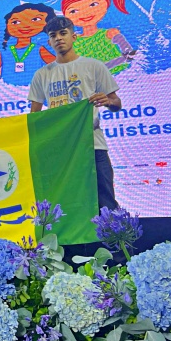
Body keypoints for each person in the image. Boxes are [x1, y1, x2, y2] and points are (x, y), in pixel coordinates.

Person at [28, 16, 122, 211]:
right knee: (67, 202)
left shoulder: (94, 66)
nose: (58, 38)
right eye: (53, 35)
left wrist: (107, 101)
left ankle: (112, 231)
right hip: (60, 148)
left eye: (63, 33)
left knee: (105, 200)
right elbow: (34, 116)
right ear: (49, 42)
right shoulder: (42, 74)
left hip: (92, 143)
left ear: (74, 36)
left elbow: (116, 103)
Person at [62, 0, 135, 73]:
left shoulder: (110, 33)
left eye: (93, 4)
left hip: (121, 75)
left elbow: (129, 54)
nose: (86, 13)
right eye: (73, 11)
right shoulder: (73, 40)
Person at [0, 3, 56, 84]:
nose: (25, 25)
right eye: (15, 22)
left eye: (35, 19)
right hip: (6, 90)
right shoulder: (5, 51)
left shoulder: (39, 49)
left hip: (33, 89)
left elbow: (59, 65)